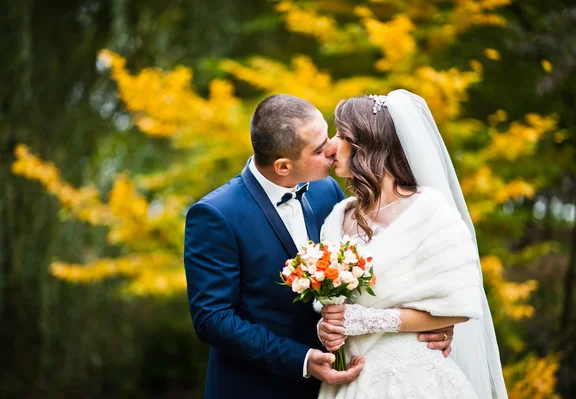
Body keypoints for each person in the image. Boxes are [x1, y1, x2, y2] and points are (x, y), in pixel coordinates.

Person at [184, 94, 454, 399]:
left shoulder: (328, 191)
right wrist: (302, 359)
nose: (333, 149)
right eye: (318, 148)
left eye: (329, 136)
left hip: (348, 382)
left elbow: (375, 272)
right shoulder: (216, 214)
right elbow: (213, 318)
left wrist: (426, 327)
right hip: (259, 386)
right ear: (284, 166)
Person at [316, 90, 508, 399]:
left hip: (413, 379)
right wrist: (328, 327)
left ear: (368, 143)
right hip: (351, 380)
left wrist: (365, 319)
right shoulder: (338, 217)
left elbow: (459, 307)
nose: (330, 145)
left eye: (341, 134)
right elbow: (332, 303)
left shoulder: (430, 211)